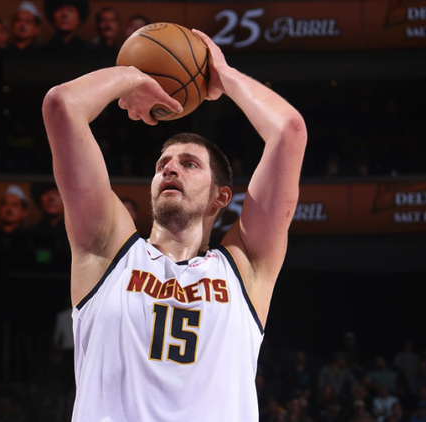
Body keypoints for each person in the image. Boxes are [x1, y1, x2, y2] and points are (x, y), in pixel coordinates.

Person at [42, 28, 307, 421]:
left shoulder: (246, 267)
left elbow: (289, 131)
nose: (170, 169)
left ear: (220, 196)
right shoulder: (107, 251)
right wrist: (131, 77)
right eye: (162, 164)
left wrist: (224, 76)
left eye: (189, 164)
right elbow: (62, 105)